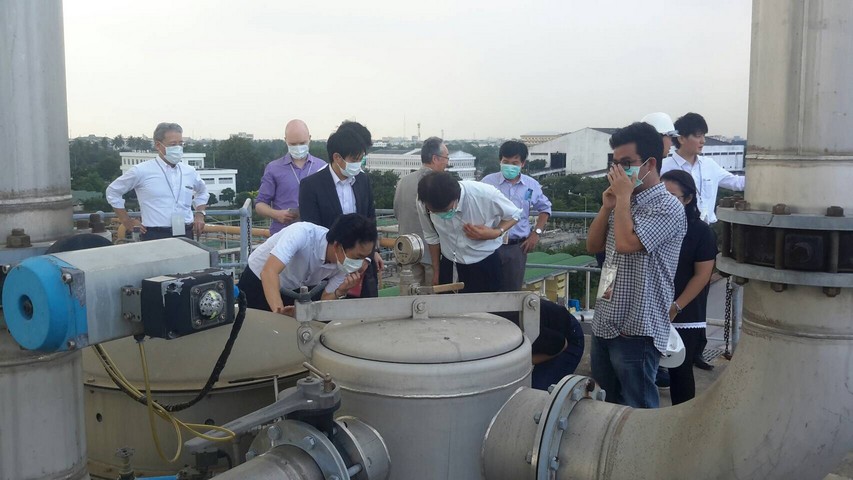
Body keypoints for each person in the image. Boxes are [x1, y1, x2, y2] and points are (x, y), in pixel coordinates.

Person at [586, 122, 686, 408]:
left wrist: (623, 199)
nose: (619, 171)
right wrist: (607, 206)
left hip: (637, 326)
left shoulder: (667, 206)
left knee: (639, 406)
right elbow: (593, 246)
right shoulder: (622, 202)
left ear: (649, 164)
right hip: (606, 320)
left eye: (627, 163)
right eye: (615, 164)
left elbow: (626, 244)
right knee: (605, 403)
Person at [298, 121, 382, 298]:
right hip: (326, 271)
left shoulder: (363, 181)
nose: (358, 164)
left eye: (360, 159)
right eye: (354, 160)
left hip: (361, 268)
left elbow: (370, 220)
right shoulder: (311, 186)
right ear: (337, 157)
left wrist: (367, 257)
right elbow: (311, 231)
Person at [238, 214, 377, 314]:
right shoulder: (301, 233)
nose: (360, 264)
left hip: (292, 287)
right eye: (358, 257)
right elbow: (269, 272)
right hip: (258, 280)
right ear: (337, 246)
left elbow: (325, 299)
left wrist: (341, 291)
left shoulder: (343, 265)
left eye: (365, 258)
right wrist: (278, 311)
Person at [660, 170, 717, 404]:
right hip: (652, 308)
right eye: (661, 194)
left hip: (685, 311)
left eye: (672, 197)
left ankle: (681, 419)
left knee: (681, 371)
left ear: (688, 198)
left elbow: (702, 275)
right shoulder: (653, 225)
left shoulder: (700, 231)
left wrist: (676, 306)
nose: (665, 202)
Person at [417, 171, 521, 293]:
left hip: (484, 262)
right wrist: (436, 271)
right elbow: (431, 236)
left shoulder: (484, 195)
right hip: (449, 262)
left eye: (446, 210)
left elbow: (514, 215)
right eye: (435, 212)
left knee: (486, 303)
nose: (442, 215)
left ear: (456, 197)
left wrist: (495, 232)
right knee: (447, 303)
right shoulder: (424, 201)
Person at [106, 122, 208, 241]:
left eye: (180, 144)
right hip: (155, 234)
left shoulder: (189, 171)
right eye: (173, 144)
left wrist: (200, 214)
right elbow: (113, 191)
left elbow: (203, 192)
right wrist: (126, 221)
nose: (178, 148)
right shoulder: (141, 171)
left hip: (186, 232)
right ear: (158, 145)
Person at [481, 140, 552, 291]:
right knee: (487, 289)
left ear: (522, 164)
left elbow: (545, 209)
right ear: (500, 161)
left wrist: (536, 233)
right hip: (489, 245)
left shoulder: (531, 185)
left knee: (512, 292)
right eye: (506, 162)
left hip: (517, 248)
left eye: (515, 163)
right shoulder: (487, 182)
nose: (510, 166)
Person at [661, 112, 745, 224]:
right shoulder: (664, 168)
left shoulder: (709, 164)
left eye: (703, 136)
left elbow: (736, 182)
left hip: (707, 228)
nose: (703, 141)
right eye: (698, 136)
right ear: (681, 139)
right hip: (678, 229)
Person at [393, 137, 449, 286]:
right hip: (433, 255)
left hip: (407, 251)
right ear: (435, 158)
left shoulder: (403, 182)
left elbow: (397, 212)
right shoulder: (441, 183)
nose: (447, 163)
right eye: (446, 158)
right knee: (431, 297)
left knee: (409, 297)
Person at [255, 119, 326, 235]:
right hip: (282, 233)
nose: (298, 147)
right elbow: (259, 205)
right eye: (293, 144)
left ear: (309, 139)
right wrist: (277, 214)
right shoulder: (273, 168)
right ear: (286, 140)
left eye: (302, 143)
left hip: (314, 234)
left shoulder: (322, 167)